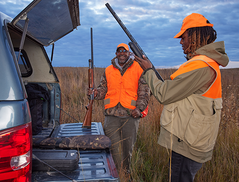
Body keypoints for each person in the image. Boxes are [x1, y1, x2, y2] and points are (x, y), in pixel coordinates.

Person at [135, 13, 229, 182]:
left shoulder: (200, 65)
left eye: (183, 37)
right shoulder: (207, 62)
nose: (181, 42)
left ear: (195, 35)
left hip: (188, 143)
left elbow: (164, 94)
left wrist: (148, 70)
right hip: (192, 136)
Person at [88, 43, 150, 171]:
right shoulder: (108, 70)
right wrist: (95, 93)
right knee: (112, 147)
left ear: (129, 53)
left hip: (131, 114)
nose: (122, 53)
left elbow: (144, 91)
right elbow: (103, 89)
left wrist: (139, 109)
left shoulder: (138, 68)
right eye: (119, 51)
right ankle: (114, 174)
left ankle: (126, 173)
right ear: (116, 53)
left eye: (124, 51)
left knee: (128, 148)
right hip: (111, 116)